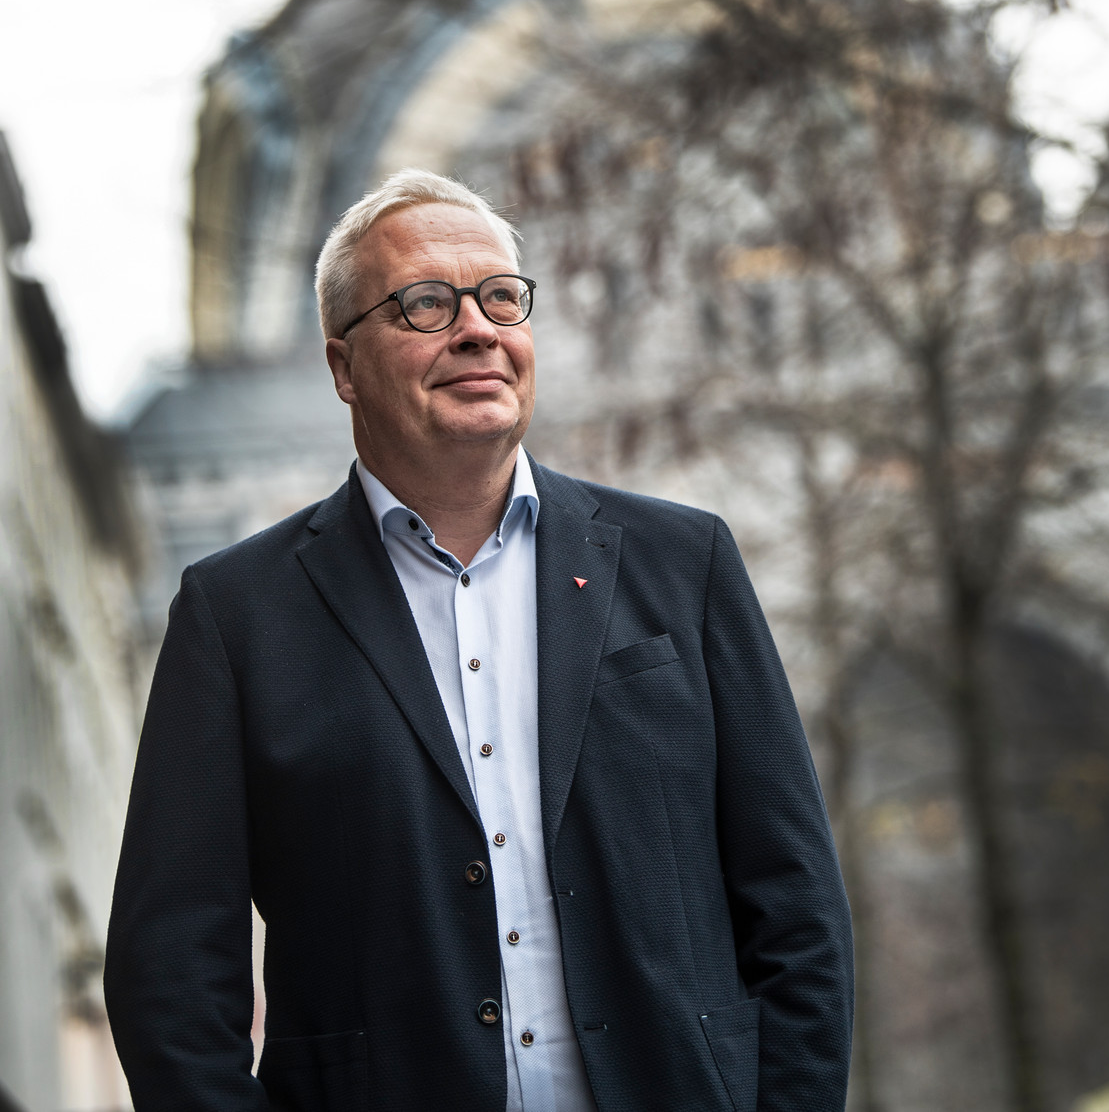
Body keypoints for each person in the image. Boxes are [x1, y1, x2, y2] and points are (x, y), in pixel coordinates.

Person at [105, 169, 853, 1112]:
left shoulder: (683, 562)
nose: (477, 328)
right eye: (425, 304)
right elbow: (169, 967)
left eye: (501, 297)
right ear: (343, 366)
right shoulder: (237, 613)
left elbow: (797, 907)